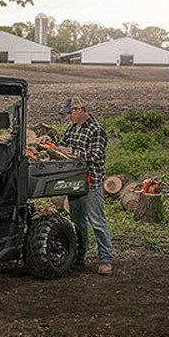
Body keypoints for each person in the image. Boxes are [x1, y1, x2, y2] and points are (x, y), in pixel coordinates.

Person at [59, 96, 114, 275]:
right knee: (78, 222)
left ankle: (106, 259)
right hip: (74, 182)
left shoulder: (96, 130)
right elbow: (62, 145)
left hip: (92, 182)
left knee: (97, 221)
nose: (69, 116)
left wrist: (72, 152)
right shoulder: (72, 129)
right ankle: (80, 256)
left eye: (71, 113)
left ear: (80, 110)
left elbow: (95, 155)